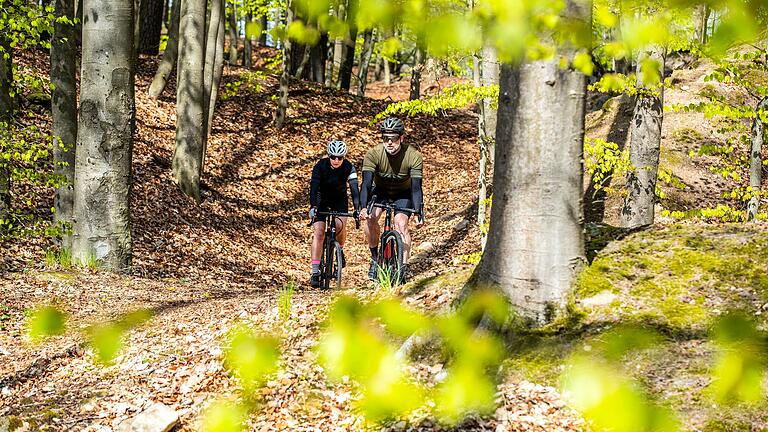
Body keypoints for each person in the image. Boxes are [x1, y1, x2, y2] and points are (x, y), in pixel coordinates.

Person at [359, 117, 424, 283]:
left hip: (403, 192)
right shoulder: (373, 154)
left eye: (393, 138)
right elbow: (366, 183)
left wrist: (418, 211)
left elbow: (416, 188)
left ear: (401, 138)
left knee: (401, 224)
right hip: (380, 191)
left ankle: (402, 267)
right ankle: (375, 258)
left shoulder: (413, 155)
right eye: (385, 138)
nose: (389, 142)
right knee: (371, 218)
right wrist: (363, 207)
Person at [308, 140, 361, 288]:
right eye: (333, 157)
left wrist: (357, 209)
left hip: (339, 199)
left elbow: (354, 189)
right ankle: (315, 271)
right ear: (328, 155)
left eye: (340, 157)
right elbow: (314, 187)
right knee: (319, 232)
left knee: (340, 225)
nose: (336, 160)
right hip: (321, 200)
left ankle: (340, 250)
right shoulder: (320, 166)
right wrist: (313, 206)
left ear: (344, 157)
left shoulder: (349, 167)